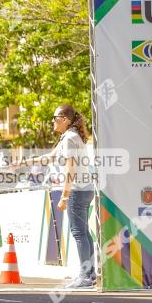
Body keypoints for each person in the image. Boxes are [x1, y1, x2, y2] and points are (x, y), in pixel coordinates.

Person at [52, 104, 94, 288]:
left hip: (77, 190)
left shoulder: (69, 138)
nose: (52, 121)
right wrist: (22, 162)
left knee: (79, 233)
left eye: (54, 118)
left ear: (65, 120)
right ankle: (90, 274)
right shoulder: (71, 136)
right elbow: (49, 156)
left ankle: (85, 276)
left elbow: (71, 168)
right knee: (84, 232)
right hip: (86, 188)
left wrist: (64, 195)